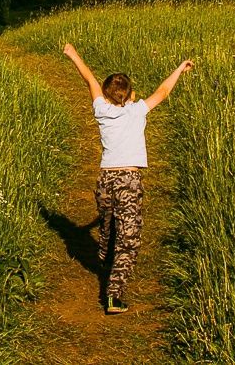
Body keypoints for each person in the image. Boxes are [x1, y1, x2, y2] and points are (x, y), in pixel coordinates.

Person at [62, 42, 194, 315]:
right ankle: (114, 294)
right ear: (131, 95)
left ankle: (104, 259)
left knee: (109, 229)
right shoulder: (136, 111)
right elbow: (164, 91)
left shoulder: (101, 110)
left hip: (104, 181)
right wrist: (180, 68)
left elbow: (89, 79)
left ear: (107, 96)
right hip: (128, 182)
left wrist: (74, 54)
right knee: (128, 239)